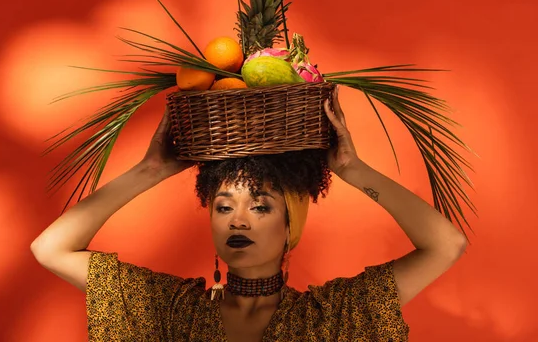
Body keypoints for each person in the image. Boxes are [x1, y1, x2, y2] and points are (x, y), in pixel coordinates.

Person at [31, 86, 468, 341]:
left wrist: (352, 169)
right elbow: (49, 248)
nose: (237, 220)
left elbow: (447, 245)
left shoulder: (336, 316)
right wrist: (150, 170)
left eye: (260, 206)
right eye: (224, 206)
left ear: (290, 223)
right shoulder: (168, 310)